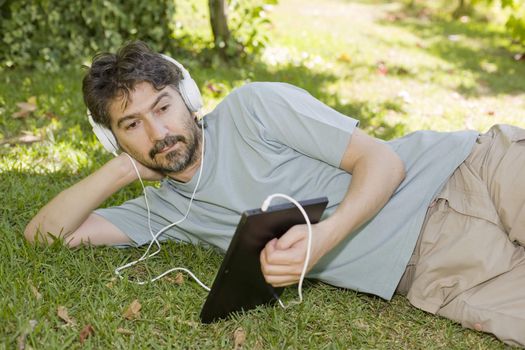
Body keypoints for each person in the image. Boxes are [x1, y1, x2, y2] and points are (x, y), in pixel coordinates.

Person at [24, 41, 525, 347]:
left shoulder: (254, 107)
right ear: (115, 140)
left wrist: (322, 239)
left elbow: (383, 161)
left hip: (470, 172)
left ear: (189, 99)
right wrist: (117, 174)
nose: (159, 132)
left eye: (162, 107)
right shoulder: (164, 212)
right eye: (132, 124)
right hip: (437, 273)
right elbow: (44, 236)